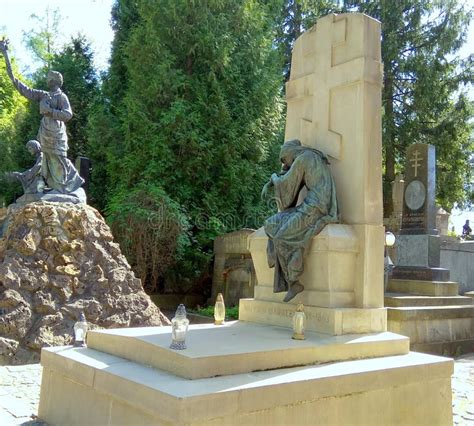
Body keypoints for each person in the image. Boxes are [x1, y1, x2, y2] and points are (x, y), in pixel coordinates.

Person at [0, 38, 83, 194]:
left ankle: (67, 186)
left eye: (49, 78)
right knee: (45, 161)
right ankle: (49, 187)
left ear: (55, 80)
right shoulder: (43, 95)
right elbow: (20, 86)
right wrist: (5, 54)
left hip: (57, 133)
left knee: (59, 160)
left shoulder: (61, 96)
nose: (47, 80)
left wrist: (50, 111)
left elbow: (68, 114)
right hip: (45, 132)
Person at [261, 139, 339, 302]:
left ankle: (293, 281)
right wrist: (275, 180)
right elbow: (288, 183)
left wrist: (273, 179)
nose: (285, 164)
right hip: (309, 206)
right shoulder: (307, 158)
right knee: (271, 223)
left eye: (284, 159)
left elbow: (286, 186)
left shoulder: (304, 158)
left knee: (282, 237)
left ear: (290, 153)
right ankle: (275, 257)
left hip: (316, 208)